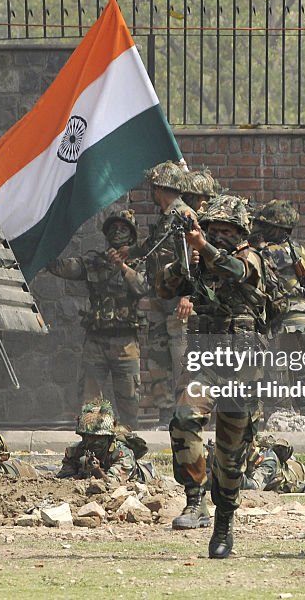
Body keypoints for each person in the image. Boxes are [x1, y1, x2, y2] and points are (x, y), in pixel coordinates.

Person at [158, 194, 270, 559]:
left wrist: (203, 247)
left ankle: (224, 519)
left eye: (226, 230)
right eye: (212, 229)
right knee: (184, 419)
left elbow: (236, 272)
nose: (218, 235)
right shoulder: (198, 262)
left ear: (240, 234)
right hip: (204, 362)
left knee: (230, 453)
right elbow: (163, 287)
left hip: (242, 368)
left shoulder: (250, 258)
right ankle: (194, 500)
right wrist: (184, 261)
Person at [46, 210, 147, 428]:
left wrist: (122, 265)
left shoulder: (140, 263)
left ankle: (129, 448)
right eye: (113, 228)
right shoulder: (94, 262)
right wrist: (43, 252)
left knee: (129, 402)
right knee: (90, 402)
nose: (117, 232)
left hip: (125, 343)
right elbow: (63, 267)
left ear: (132, 235)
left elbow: (142, 287)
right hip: (96, 341)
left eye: (123, 228)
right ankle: (91, 444)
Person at [125, 160, 196, 430]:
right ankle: (166, 416)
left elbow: (195, 258)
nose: (152, 193)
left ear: (160, 188)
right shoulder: (165, 219)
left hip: (178, 302)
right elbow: (149, 248)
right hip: (160, 300)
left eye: (153, 188)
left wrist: (188, 297)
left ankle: (187, 418)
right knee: (158, 360)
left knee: (182, 362)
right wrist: (127, 254)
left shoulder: (185, 215)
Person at [249, 200, 305, 427]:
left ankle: (283, 424)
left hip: (286, 323)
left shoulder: (269, 253)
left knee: (279, 375)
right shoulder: (299, 250)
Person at [57, 397, 157, 484]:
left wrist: (97, 472)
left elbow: (113, 484)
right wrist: (81, 474)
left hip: (146, 482)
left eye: (100, 438)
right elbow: (62, 481)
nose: (95, 442)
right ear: (83, 437)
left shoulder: (122, 453)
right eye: (91, 437)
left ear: (109, 438)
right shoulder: (74, 452)